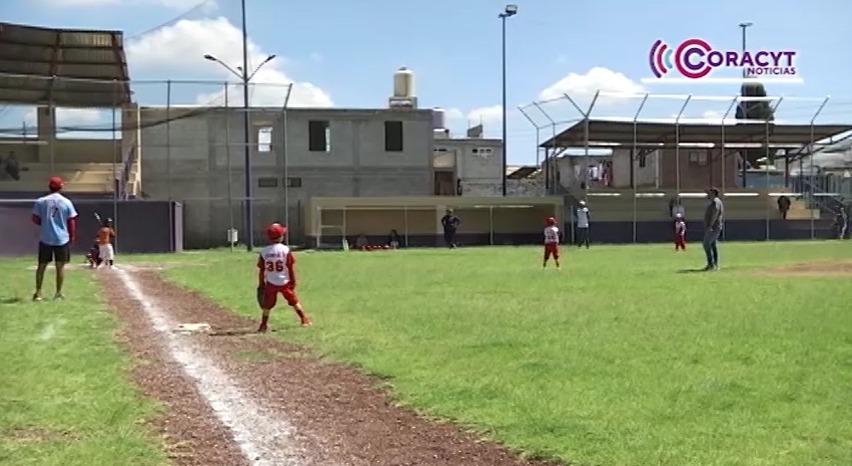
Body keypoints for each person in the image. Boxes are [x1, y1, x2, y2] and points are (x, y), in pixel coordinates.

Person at [256, 223, 311, 332]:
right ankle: (304, 319)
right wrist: (293, 281)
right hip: (284, 281)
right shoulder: (285, 250)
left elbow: (262, 270)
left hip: (270, 282)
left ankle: (263, 325)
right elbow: (290, 267)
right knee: (293, 301)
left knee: (267, 305)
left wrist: (261, 283)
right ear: (281, 237)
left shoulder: (264, 251)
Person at [31, 176, 78, 301]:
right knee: (60, 266)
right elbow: (71, 220)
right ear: (61, 186)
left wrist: (46, 223)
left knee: (41, 266)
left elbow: (35, 219)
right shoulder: (66, 202)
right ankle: (58, 293)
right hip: (61, 238)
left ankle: (38, 293)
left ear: (49, 187)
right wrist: (72, 235)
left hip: (45, 237)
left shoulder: (40, 201)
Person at [702, 188, 724, 271]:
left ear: (714, 193)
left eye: (709, 193)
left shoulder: (716, 201)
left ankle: (711, 264)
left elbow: (715, 213)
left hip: (714, 227)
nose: (707, 195)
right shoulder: (715, 201)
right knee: (712, 245)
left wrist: (710, 225)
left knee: (706, 244)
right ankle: (714, 264)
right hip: (714, 226)